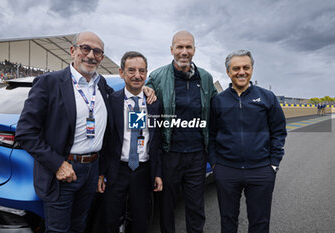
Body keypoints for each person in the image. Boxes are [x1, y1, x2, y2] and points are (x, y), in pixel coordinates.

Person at [15, 31, 156, 233]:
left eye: (97, 51)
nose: (91, 55)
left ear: (101, 56)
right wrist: (57, 164)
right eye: (85, 48)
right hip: (63, 172)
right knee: (58, 230)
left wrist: (146, 89)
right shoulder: (49, 83)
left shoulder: (101, 85)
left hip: (92, 172)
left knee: (79, 227)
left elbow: (127, 95)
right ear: (73, 51)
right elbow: (25, 132)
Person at [147, 30, 217, 233]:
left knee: (196, 207)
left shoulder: (205, 78)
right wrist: (145, 89)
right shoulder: (158, 77)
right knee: (167, 206)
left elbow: (217, 109)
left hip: (197, 155)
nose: (184, 51)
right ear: (172, 50)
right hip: (169, 155)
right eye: (180, 47)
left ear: (194, 50)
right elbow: (140, 96)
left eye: (188, 47)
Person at [209, 49, 287, 233]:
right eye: (236, 68)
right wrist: (215, 165)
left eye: (246, 67)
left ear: (252, 69)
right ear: (228, 72)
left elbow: (278, 131)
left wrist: (274, 163)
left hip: (261, 170)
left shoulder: (268, 98)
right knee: (228, 222)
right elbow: (211, 134)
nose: (241, 72)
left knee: (259, 223)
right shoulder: (218, 101)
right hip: (227, 170)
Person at [99, 51, 163, 233]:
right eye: (132, 70)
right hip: (117, 170)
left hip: (143, 170)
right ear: (121, 72)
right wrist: (101, 173)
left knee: (141, 222)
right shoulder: (112, 101)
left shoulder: (154, 103)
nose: (137, 75)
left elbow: (156, 141)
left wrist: (157, 173)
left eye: (142, 71)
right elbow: (106, 139)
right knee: (110, 221)